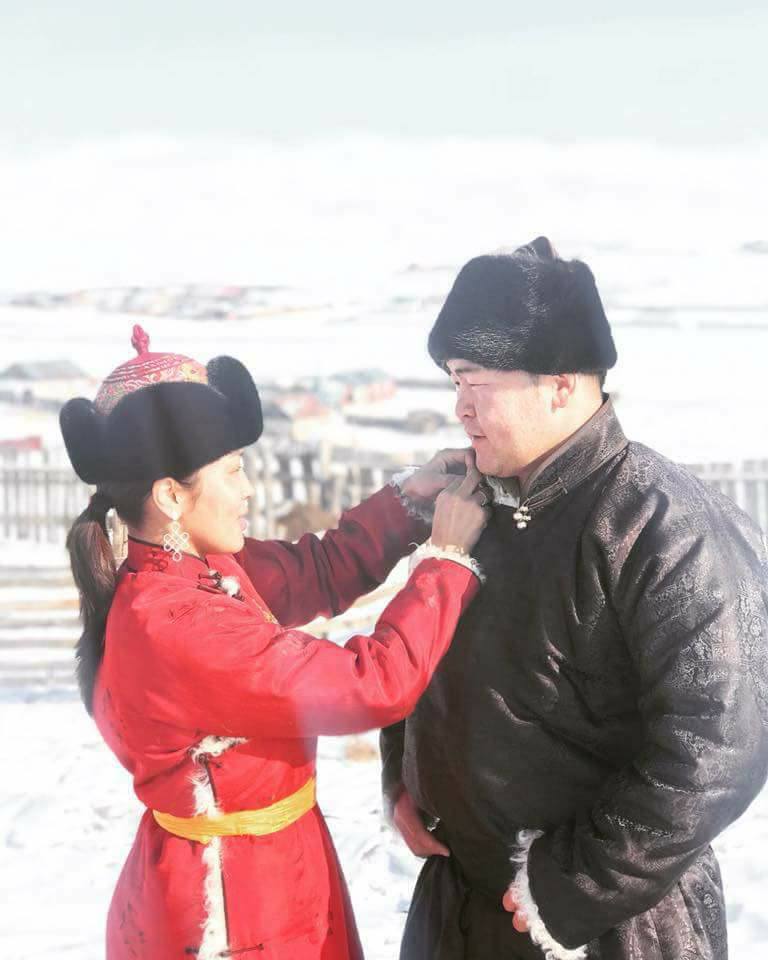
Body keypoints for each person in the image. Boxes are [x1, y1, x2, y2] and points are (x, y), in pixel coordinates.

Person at [381, 237, 768, 960]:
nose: (460, 408)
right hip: (460, 907)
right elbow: (420, 652)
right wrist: (403, 774)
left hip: (605, 929)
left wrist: (571, 888)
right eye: (453, 382)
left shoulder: (661, 524)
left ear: (560, 384)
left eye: (475, 382)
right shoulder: (476, 505)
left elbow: (720, 743)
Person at [60, 324, 490, 960]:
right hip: (235, 903)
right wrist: (446, 561)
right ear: (171, 495)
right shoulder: (175, 623)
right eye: (233, 472)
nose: (248, 491)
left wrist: (412, 503)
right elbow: (372, 684)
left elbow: (319, 569)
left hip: (275, 862)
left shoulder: (193, 569)